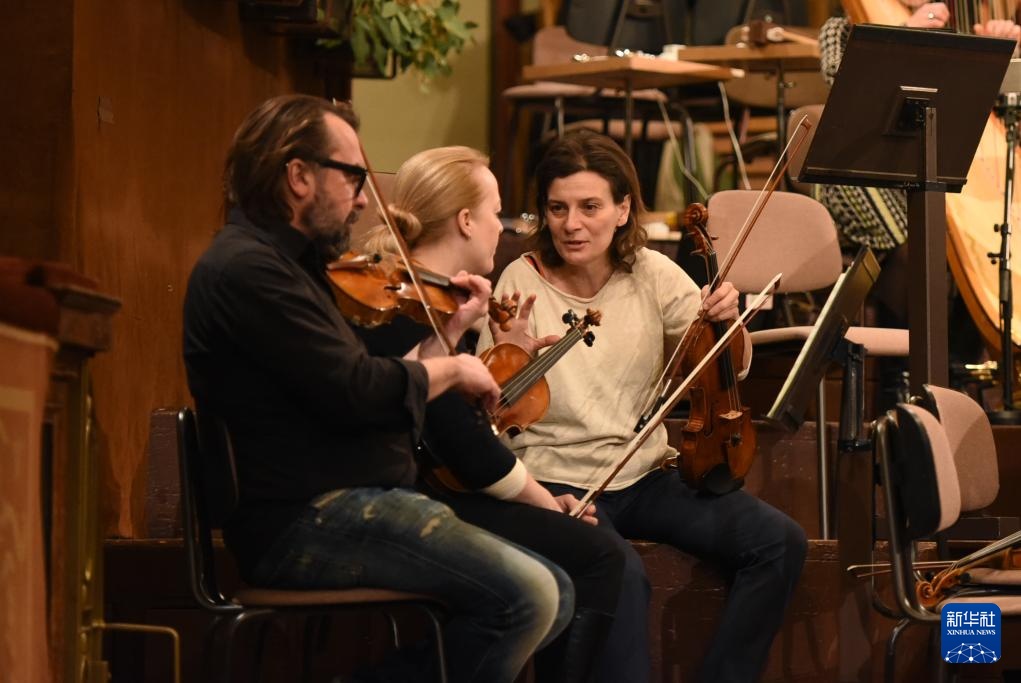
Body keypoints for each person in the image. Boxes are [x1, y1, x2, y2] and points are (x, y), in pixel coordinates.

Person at [182, 94, 574, 682]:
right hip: (304, 519)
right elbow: (359, 388)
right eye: (353, 177)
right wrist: (456, 370)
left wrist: (451, 333)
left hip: (350, 503)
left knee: (555, 596)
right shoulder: (249, 271)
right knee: (530, 599)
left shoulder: (293, 269)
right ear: (299, 177)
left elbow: (372, 387)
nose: (365, 199)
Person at [478, 129, 808, 683]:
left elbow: (730, 366)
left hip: (644, 474)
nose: (572, 224)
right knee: (623, 575)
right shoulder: (520, 279)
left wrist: (727, 322)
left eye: (589, 207)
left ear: (623, 209)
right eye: (557, 208)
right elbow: (489, 407)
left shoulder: (652, 273)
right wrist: (509, 356)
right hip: (558, 482)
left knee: (779, 542)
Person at [354, 145, 626, 683]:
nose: (501, 229)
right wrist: (545, 502)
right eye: (495, 213)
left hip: (430, 486)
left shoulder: (436, 302)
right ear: (465, 221)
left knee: (565, 574)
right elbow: (462, 444)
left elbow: (459, 420)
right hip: (405, 496)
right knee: (597, 556)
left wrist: (494, 353)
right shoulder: (408, 306)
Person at [817, 1, 1021, 327]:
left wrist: (1004, 57)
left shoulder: (958, 32)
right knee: (918, 244)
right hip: (865, 172)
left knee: (977, 244)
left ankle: (960, 353)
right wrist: (904, 35)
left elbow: (978, 112)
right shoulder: (840, 29)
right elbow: (845, 87)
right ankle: (904, 353)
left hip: (937, 167)